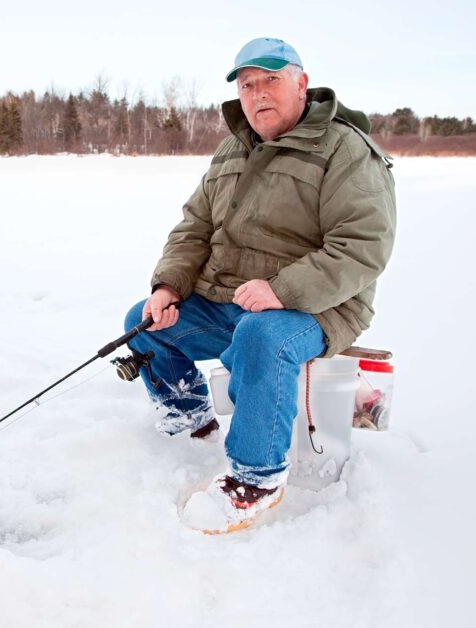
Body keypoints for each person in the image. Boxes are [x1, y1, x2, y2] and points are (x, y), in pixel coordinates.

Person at [124, 37, 396, 532]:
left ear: (301, 84)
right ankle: (192, 425)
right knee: (144, 324)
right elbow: (194, 227)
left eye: (271, 79)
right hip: (232, 296)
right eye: (247, 84)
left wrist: (283, 291)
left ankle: (257, 476)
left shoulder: (346, 149)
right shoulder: (234, 147)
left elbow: (363, 246)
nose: (257, 93)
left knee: (262, 336)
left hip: (320, 305)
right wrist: (168, 285)